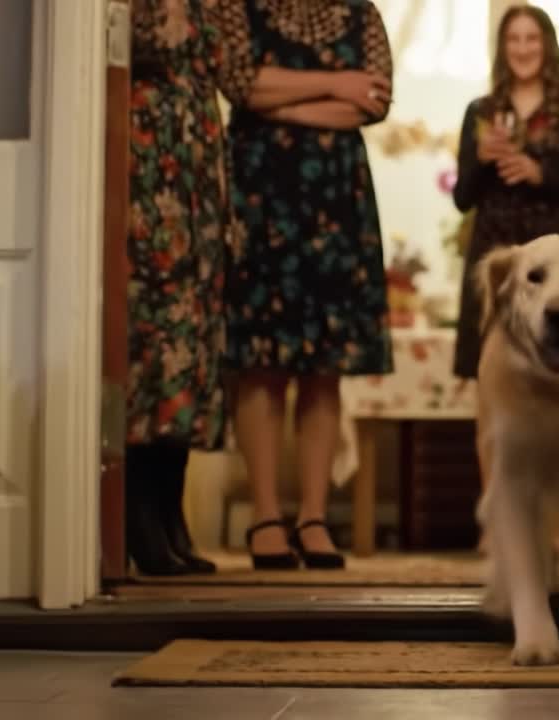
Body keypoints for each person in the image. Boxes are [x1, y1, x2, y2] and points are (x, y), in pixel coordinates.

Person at [216, 0, 396, 570]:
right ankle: (266, 517)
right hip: (261, 197)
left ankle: (314, 517)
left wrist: (283, 99)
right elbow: (241, 84)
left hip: (335, 201)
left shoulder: (359, 12)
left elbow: (374, 101)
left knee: (324, 367)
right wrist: (334, 85)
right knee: (261, 361)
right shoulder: (237, 7)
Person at [450, 4, 559, 552]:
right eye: (513, 39)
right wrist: (481, 161)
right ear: (502, 47)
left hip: (552, 264)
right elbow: (462, 197)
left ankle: (552, 525)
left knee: (554, 396)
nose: (522, 48)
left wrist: (543, 174)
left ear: (547, 45)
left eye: (531, 38)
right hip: (495, 264)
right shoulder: (481, 110)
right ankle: (498, 518)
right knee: (489, 392)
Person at [123, 0, 253, 576]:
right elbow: (124, 48)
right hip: (149, 161)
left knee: (193, 348)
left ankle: (171, 517)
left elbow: (241, 75)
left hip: (201, 158)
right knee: (151, 340)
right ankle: (138, 518)